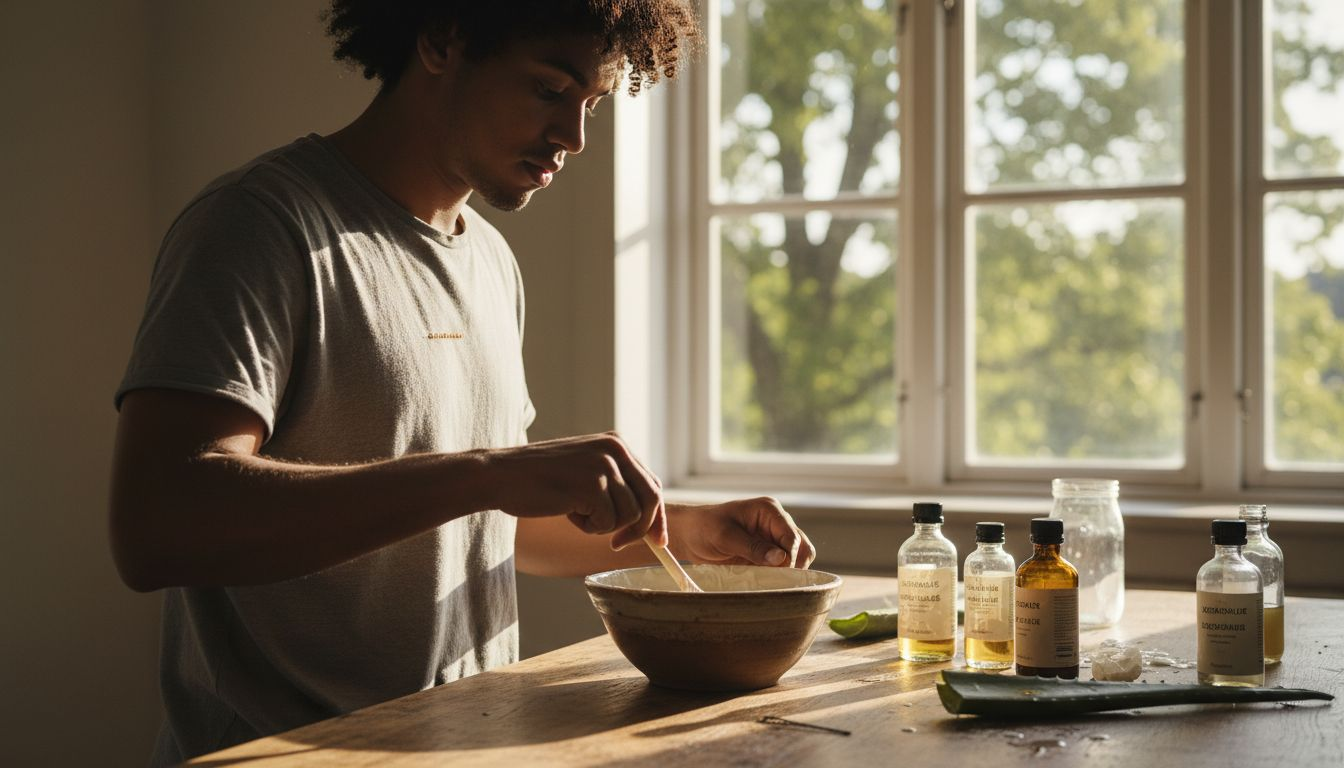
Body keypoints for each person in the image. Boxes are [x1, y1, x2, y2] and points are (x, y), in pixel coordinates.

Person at [108, 2, 815, 764]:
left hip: (463, 745)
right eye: (550, 90)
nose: (573, 137)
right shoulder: (259, 225)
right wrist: (488, 472)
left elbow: (482, 527)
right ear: (443, 40)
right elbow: (157, 527)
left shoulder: (489, 262)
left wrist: (684, 531)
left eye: (593, 105)